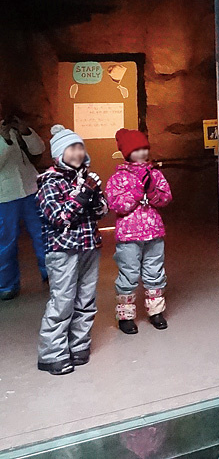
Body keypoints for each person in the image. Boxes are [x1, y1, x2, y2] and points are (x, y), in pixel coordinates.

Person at [36, 125, 108, 375]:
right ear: (59, 153)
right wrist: (82, 195)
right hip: (63, 250)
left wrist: (95, 196)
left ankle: (79, 346)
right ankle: (52, 353)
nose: (77, 153)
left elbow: (101, 212)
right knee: (63, 300)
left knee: (86, 299)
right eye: (71, 148)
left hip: (89, 246)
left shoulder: (86, 178)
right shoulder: (49, 183)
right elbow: (59, 218)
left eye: (80, 147)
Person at [106, 129, 172, 334]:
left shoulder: (155, 174)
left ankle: (156, 311)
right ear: (127, 153)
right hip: (128, 235)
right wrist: (137, 191)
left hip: (154, 232)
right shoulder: (118, 178)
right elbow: (117, 205)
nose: (142, 153)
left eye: (145, 148)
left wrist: (151, 189)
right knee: (129, 272)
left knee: (155, 271)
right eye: (137, 149)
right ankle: (125, 316)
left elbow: (165, 198)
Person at [0, 102, 48, 301]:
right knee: (6, 241)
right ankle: (7, 285)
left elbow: (39, 149)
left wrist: (24, 131)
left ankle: (51, 274)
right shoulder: (4, 134)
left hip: (31, 188)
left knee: (43, 234)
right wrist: (4, 140)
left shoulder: (14, 129)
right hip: (5, 195)